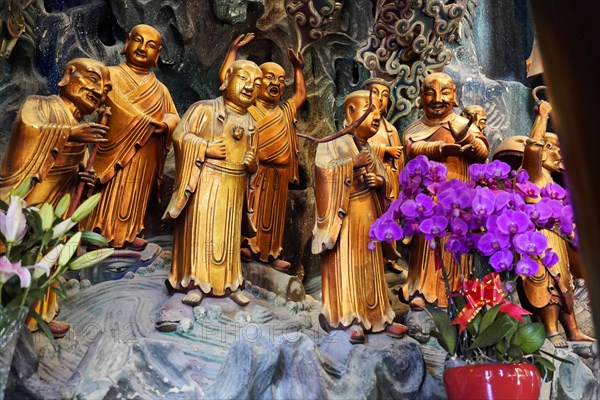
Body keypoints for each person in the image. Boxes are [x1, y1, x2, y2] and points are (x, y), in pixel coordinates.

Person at [0, 57, 111, 337]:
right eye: (93, 80)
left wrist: (81, 176)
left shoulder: (82, 125)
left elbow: (76, 164)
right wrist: (71, 133)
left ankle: (37, 315)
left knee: (49, 254)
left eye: (106, 89)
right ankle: (9, 310)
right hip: (31, 193)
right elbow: (29, 128)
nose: (100, 92)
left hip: (58, 199)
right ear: (68, 75)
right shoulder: (40, 104)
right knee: (20, 247)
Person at [160, 59, 262, 311]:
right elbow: (180, 136)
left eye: (256, 84)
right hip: (205, 183)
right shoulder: (203, 109)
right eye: (243, 79)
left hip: (235, 187)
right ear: (227, 79)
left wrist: (252, 164)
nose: (249, 86)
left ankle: (229, 285)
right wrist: (206, 147)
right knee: (201, 234)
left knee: (227, 239)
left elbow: (254, 160)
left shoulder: (251, 123)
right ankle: (195, 282)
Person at [312, 89, 407, 344]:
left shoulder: (367, 147)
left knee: (370, 270)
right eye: (369, 108)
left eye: (378, 110)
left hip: (369, 215)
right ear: (350, 111)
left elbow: (386, 181)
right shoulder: (331, 142)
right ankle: (348, 319)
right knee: (349, 267)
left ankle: (378, 317)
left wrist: (380, 182)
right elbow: (323, 173)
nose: (376, 115)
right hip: (345, 219)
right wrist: (352, 164)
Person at [81, 24, 179, 251]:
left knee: (134, 195)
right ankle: (96, 229)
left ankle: (128, 232)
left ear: (158, 55)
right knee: (106, 190)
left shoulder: (161, 89)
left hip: (145, 153)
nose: (143, 48)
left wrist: (164, 125)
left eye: (151, 45)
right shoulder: (110, 75)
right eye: (138, 40)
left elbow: (174, 116)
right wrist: (141, 121)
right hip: (111, 148)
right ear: (127, 43)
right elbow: (100, 102)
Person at [218, 33, 306, 272]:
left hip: (279, 175)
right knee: (251, 209)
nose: (276, 83)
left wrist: (298, 69)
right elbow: (227, 78)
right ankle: (247, 244)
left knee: (275, 218)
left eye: (281, 79)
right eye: (269, 78)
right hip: (253, 173)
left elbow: (300, 96)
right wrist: (233, 51)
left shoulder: (285, 111)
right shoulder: (249, 108)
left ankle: (270, 253)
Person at [402, 72, 489, 309]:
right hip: (427, 197)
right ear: (421, 98)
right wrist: (441, 148)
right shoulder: (415, 127)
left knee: (455, 241)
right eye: (430, 92)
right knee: (427, 243)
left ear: (455, 97)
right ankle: (424, 289)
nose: (437, 98)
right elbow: (411, 148)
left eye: (445, 92)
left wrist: (466, 138)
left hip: (459, 193)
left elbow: (482, 153)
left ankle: (456, 290)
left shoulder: (462, 125)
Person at [515, 100, 594, 348]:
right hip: (538, 239)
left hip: (556, 238)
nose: (558, 155)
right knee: (545, 282)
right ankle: (550, 330)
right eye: (552, 148)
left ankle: (572, 329)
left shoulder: (550, 180)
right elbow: (533, 148)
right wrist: (543, 117)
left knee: (564, 282)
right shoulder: (533, 173)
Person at [364, 77, 404, 273]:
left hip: (389, 181)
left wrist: (397, 179)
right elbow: (358, 145)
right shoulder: (358, 123)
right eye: (375, 92)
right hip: (368, 179)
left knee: (390, 217)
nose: (379, 98)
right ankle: (371, 254)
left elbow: (399, 160)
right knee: (371, 216)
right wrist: (384, 151)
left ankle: (390, 258)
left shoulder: (391, 129)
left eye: (385, 95)